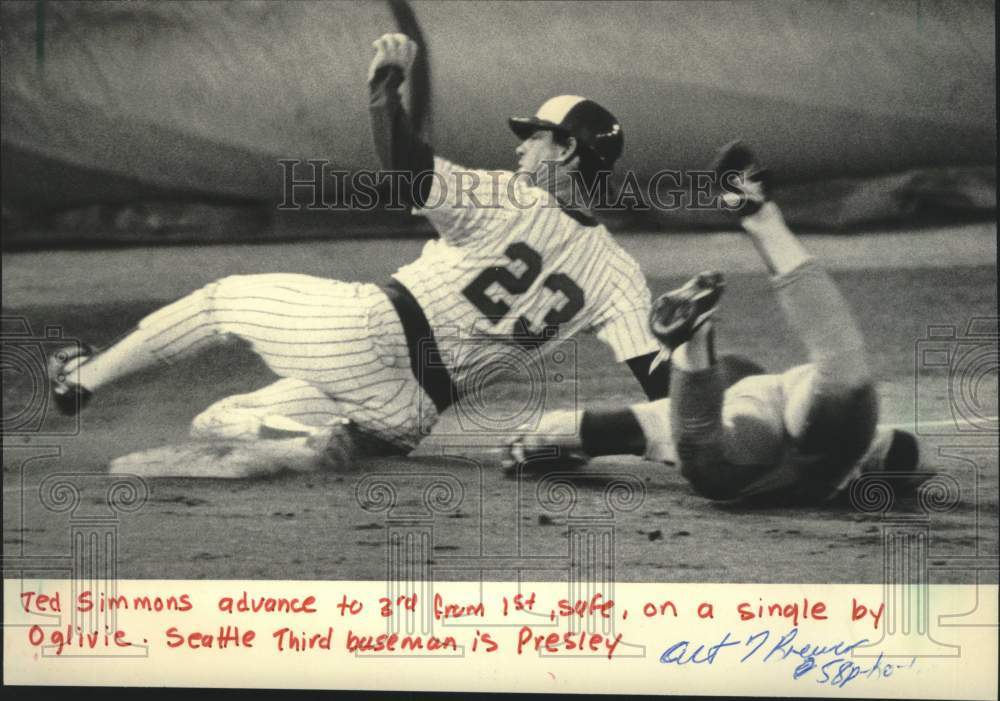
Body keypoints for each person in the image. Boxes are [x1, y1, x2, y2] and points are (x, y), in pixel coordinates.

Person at [48, 33, 670, 471]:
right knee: (219, 422)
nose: (521, 150)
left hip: (366, 336)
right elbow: (664, 386)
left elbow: (405, 168)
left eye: (534, 139)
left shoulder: (506, 196)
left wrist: (384, 89)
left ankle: (79, 379)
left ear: (563, 152)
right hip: (412, 414)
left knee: (220, 302)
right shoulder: (620, 275)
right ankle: (304, 444)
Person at [507, 142, 920, 504]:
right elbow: (583, 429)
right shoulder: (860, 445)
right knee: (836, 386)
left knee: (721, 467)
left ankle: (700, 329)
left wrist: (534, 444)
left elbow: (579, 429)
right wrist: (539, 442)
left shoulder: (683, 417)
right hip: (776, 417)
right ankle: (749, 243)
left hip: (758, 414)